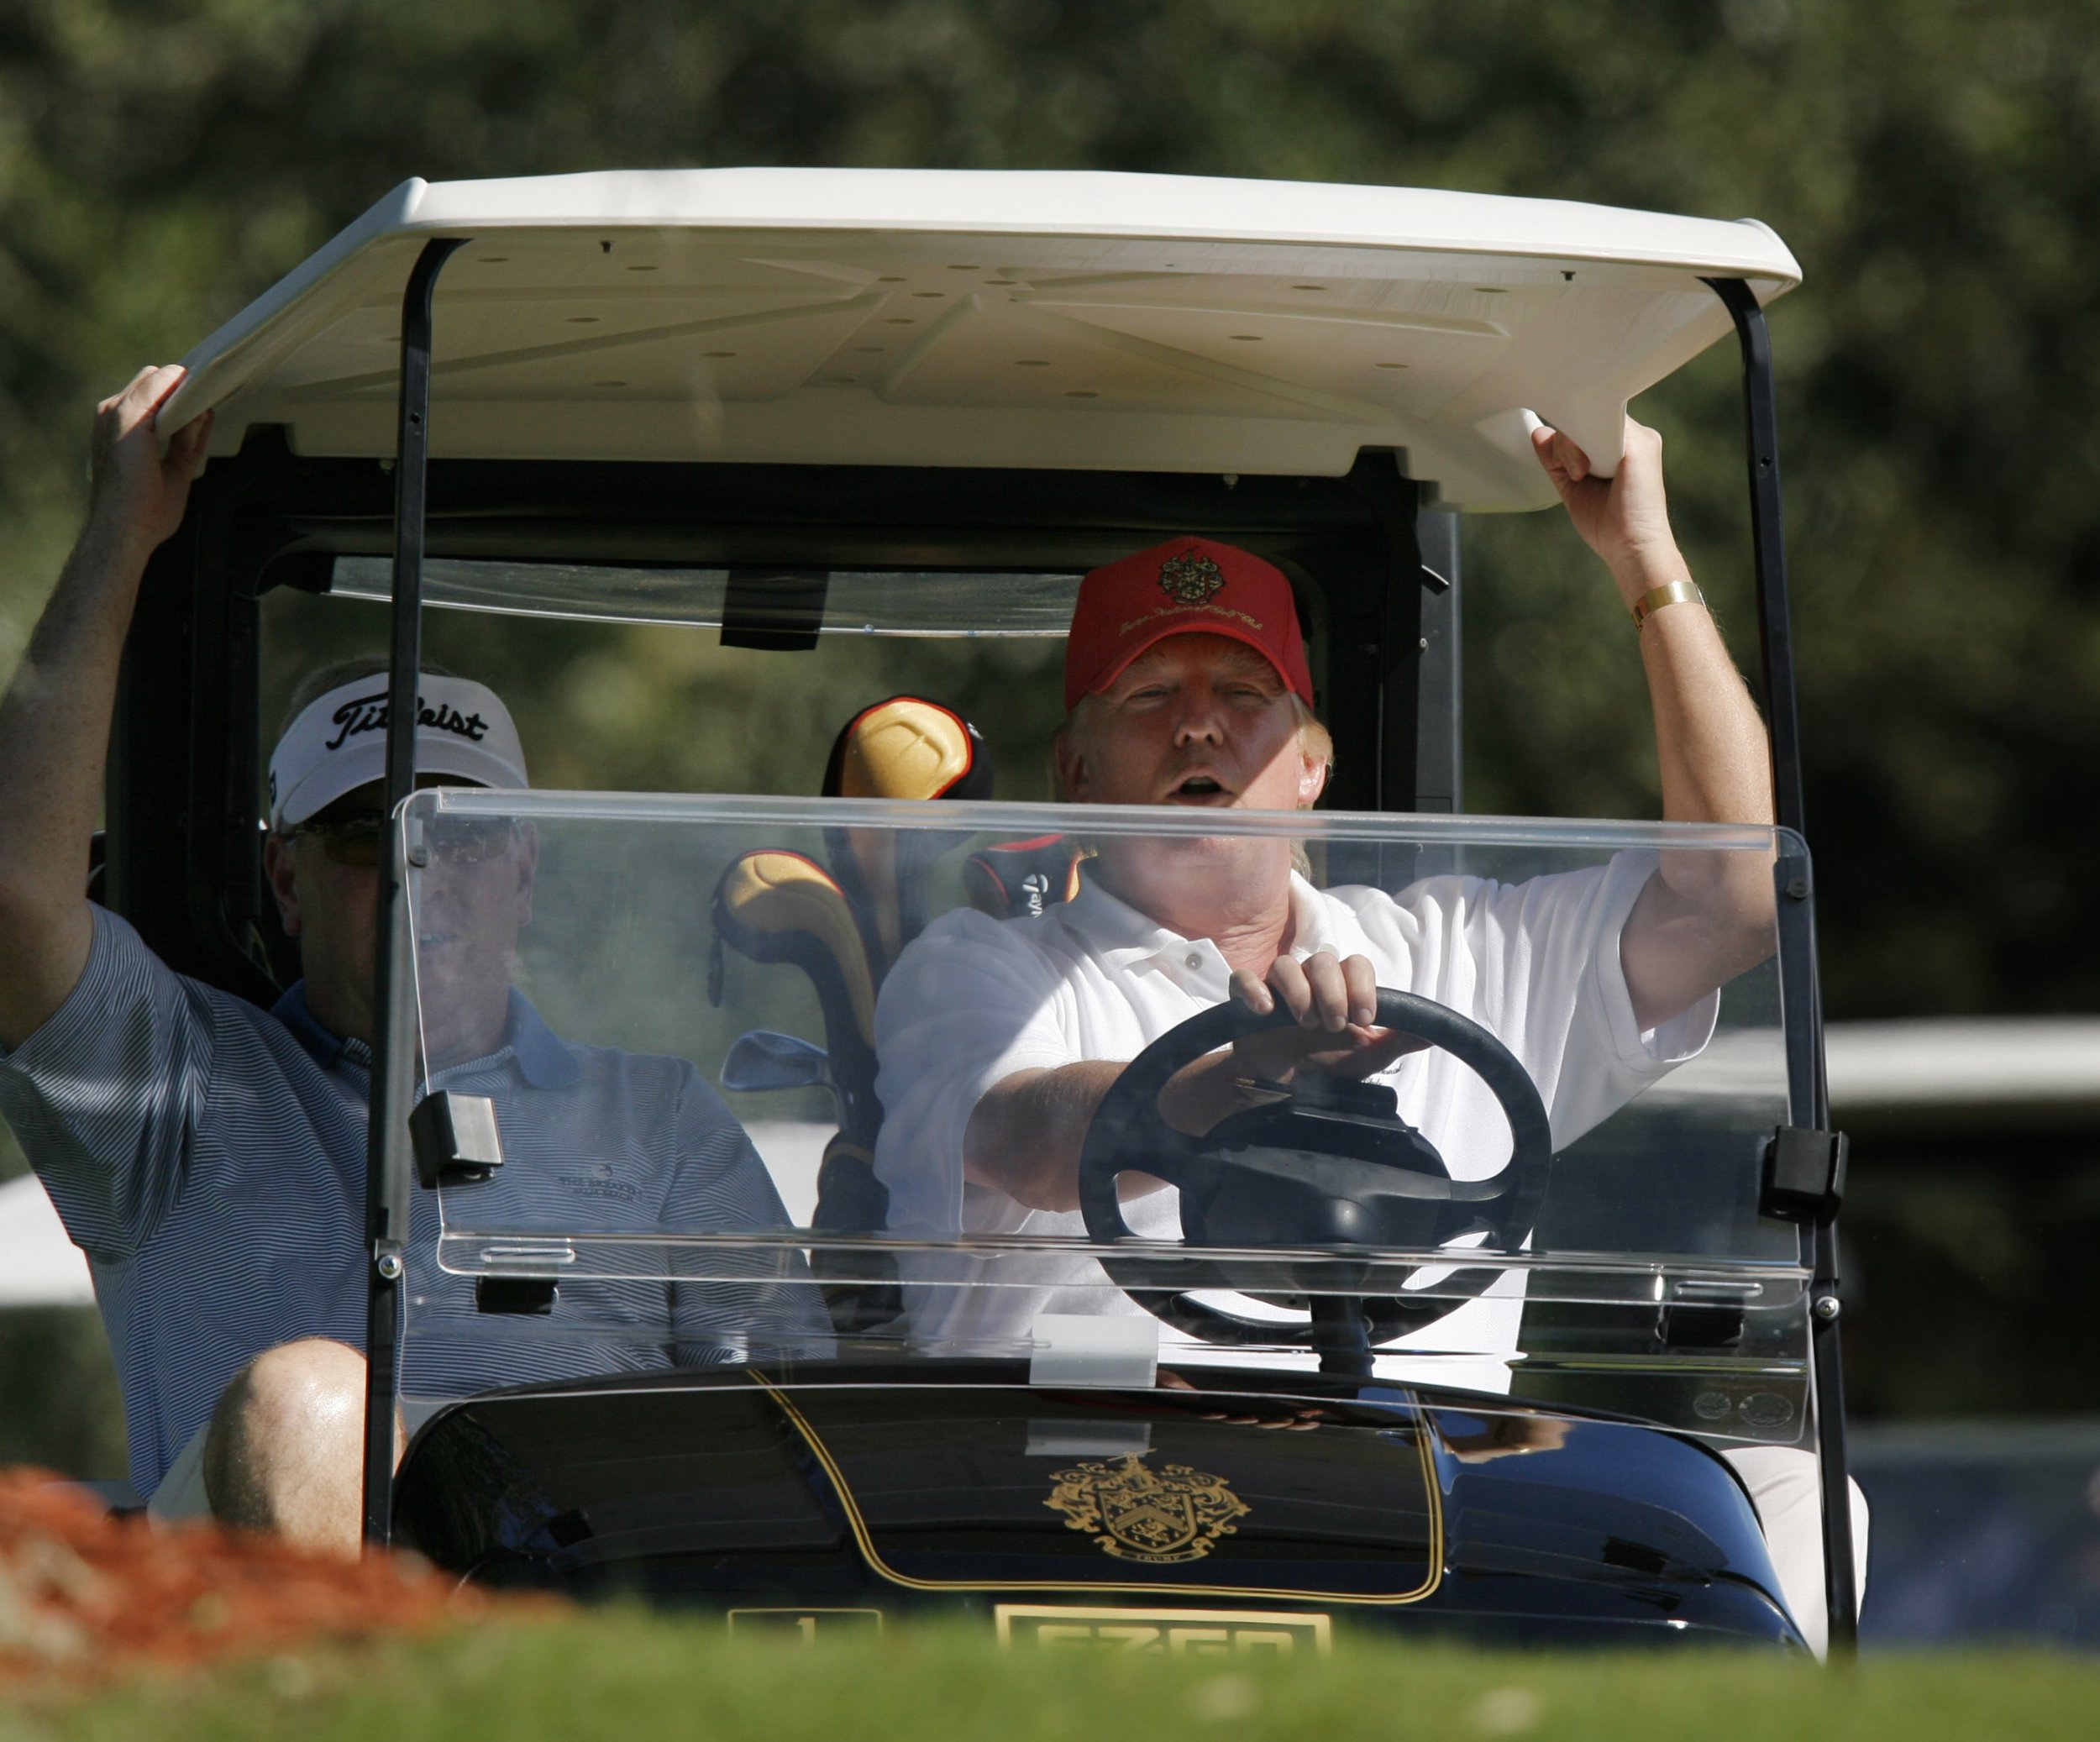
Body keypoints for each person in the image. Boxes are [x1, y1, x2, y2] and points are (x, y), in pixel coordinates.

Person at [871, 415, 1865, 1650]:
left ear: (1309, 766)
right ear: (1077, 769)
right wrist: (1245, 1075)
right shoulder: (987, 964)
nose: (1200, 727)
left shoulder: (1453, 951)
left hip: (1435, 1499)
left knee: (1794, 1497)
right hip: (1084, 1493)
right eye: (1150, 696)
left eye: (1244, 695)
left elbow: (1732, 899)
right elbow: (1018, 1131)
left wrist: (1646, 562)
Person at [0, 366, 823, 1554]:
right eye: (362, 838)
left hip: (581, 1590)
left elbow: (785, 1416)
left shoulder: (661, 1118)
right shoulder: (175, 1083)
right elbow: (19, 902)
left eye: (464, 834)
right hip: (257, 1612)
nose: (417, 870)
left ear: (526, 868)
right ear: (284, 877)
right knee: (314, 1405)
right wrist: (119, 538)